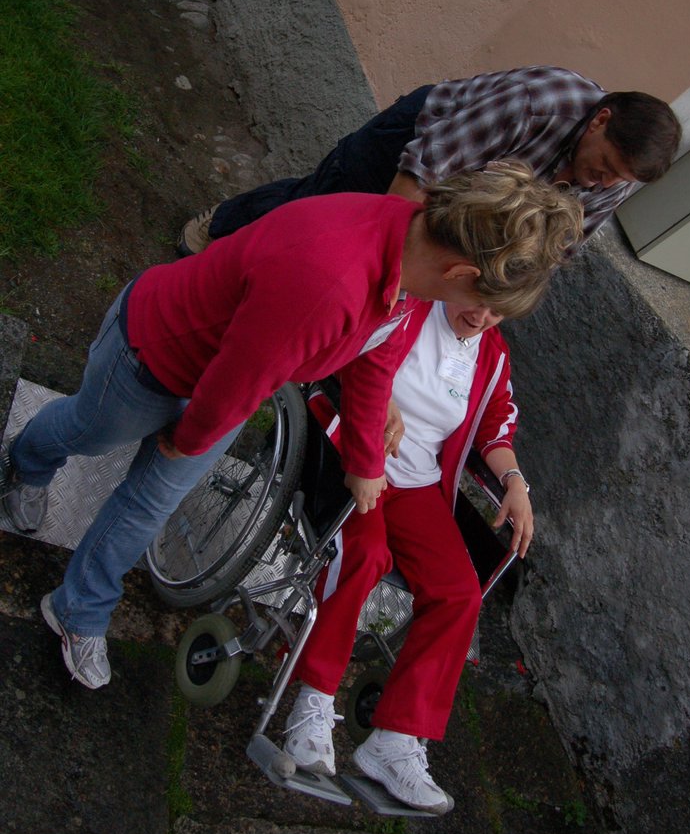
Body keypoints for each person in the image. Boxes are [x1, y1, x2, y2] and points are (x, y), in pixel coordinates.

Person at [1, 165, 582, 691]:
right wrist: (187, 440)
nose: (476, 326)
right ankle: (27, 465)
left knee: (147, 504)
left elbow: (375, 357)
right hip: (155, 358)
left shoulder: (408, 245)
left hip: (216, 384)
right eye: (478, 303)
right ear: (460, 270)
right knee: (84, 431)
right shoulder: (331, 285)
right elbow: (236, 382)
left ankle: (77, 611)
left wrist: (363, 462)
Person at [283, 295, 533, 814]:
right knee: (366, 552)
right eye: (479, 299)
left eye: (497, 312)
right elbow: (351, 343)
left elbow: (494, 427)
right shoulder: (414, 305)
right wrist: (376, 398)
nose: (481, 317)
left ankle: (394, 740)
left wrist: (513, 481)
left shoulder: (492, 353)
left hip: (418, 485)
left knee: (460, 593)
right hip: (354, 448)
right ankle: (313, 700)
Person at [178, 65, 681, 255]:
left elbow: (552, 249)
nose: (604, 184)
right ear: (601, 119)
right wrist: (388, 264)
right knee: (326, 204)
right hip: (421, 138)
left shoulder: (619, 174)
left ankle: (266, 275)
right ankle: (221, 229)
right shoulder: (536, 102)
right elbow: (421, 170)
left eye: (621, 180)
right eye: (608, 166)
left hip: (467, 186)